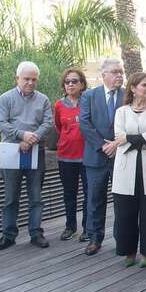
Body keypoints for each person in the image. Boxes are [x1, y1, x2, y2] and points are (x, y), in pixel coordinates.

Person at [0, 61, 54, 250]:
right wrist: (22, 135)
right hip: (12, 151)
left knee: (36, 197)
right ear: (17, 78)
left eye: (34, 79)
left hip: (36, 152)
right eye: (26, 79)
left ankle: (36, 234)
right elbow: (1, 123)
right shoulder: (5, 98)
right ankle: (8, 235)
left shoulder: (43, 99)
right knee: (11, 197)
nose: (30, 82)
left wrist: (31, 139)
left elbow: (48, 123)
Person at [111, 72, 146, 267]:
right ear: (133, 88)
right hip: (126, 169)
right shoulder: (122, 112)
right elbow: (119, 137)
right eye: (144, 85)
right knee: (125, 214)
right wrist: (140, 139)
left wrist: (130, 138)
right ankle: (129, 252)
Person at [79, 58, 125, 255]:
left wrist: (116, 145)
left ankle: (121, 240)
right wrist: (103, 145)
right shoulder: (89, 95)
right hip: (96, 157)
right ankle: (94, 238)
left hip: (121, 156)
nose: (119, 75)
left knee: (121, 200)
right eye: (115, 72)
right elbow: (84, 123)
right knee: (95, 199)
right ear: (103, 75)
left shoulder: (127, 95)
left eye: (121, 72)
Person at [54, 68, 89, 241]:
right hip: (66, 157)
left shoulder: (89, 101)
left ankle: (88, 228)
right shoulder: (59, 105)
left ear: (82, 84)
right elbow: (58, 127)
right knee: (69, 194)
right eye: (67, 82)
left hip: (87, 156)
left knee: (89, 194)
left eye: (74, 81)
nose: (70, 84)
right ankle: (70, 227)